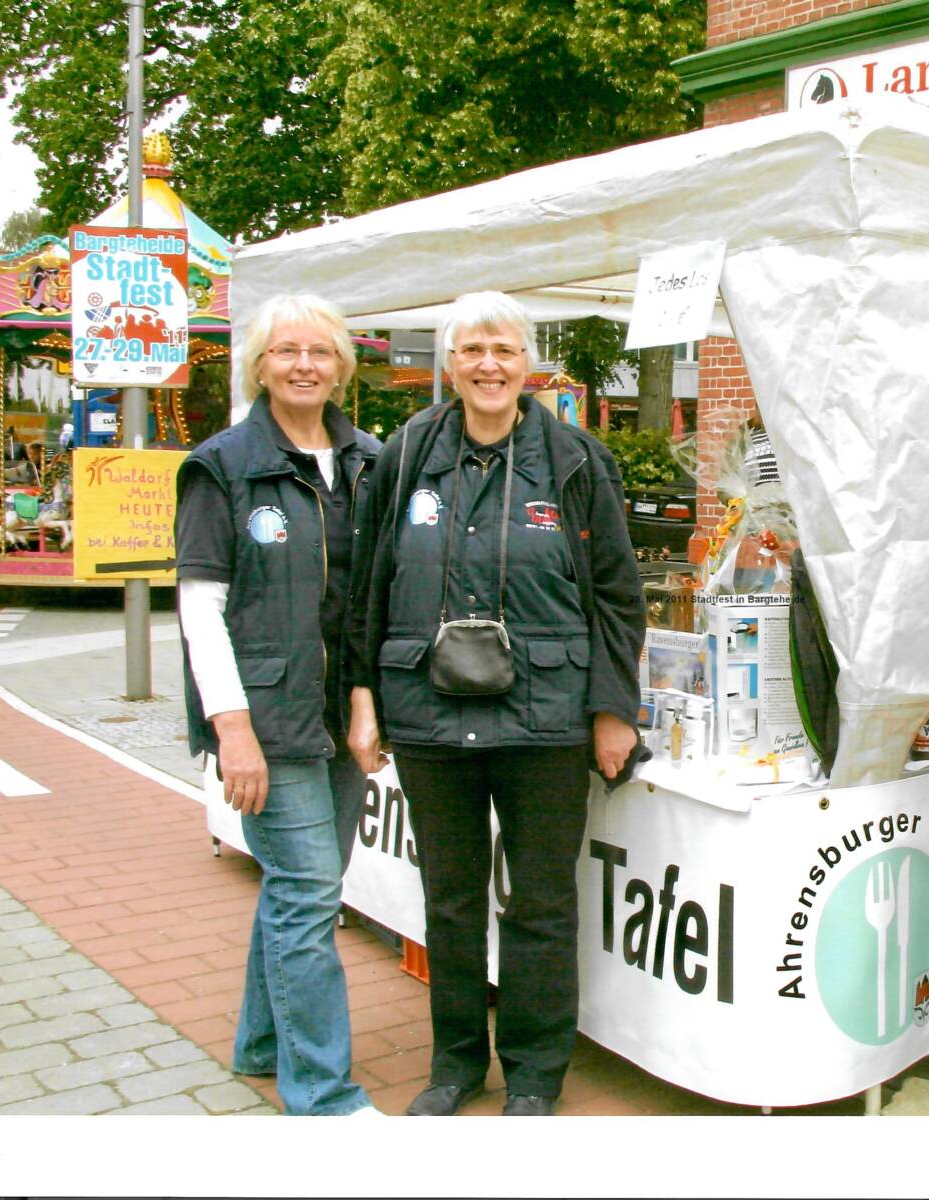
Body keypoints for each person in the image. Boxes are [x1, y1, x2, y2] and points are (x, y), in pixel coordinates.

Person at [347, 291, 645, 1117]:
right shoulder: (405, 456)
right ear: (450, 363)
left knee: (542, 902)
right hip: (429, 714)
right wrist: (363, 696)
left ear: (528, 365)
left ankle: (535, 1072)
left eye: (505, 350)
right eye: (473, 349)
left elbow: (620, 596)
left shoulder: (577, 461)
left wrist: (614, 708)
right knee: (448, 897)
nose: (489, 365)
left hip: (547, 717)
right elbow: (366, 588)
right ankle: (453, 1064)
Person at [175, 293, 382, 1116]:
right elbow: (200, 608)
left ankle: (263, 1045)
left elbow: (372, 595)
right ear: (259, 365)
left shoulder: (367, 460)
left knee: (305, 886)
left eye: (320, 352)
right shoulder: (222, 465)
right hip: (264, 717)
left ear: (342, 367)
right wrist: (232, 730)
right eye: (286, 351)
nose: (304, 365)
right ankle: (322, 1093)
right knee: (308, 895)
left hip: (339, 718)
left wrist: (370, 702)